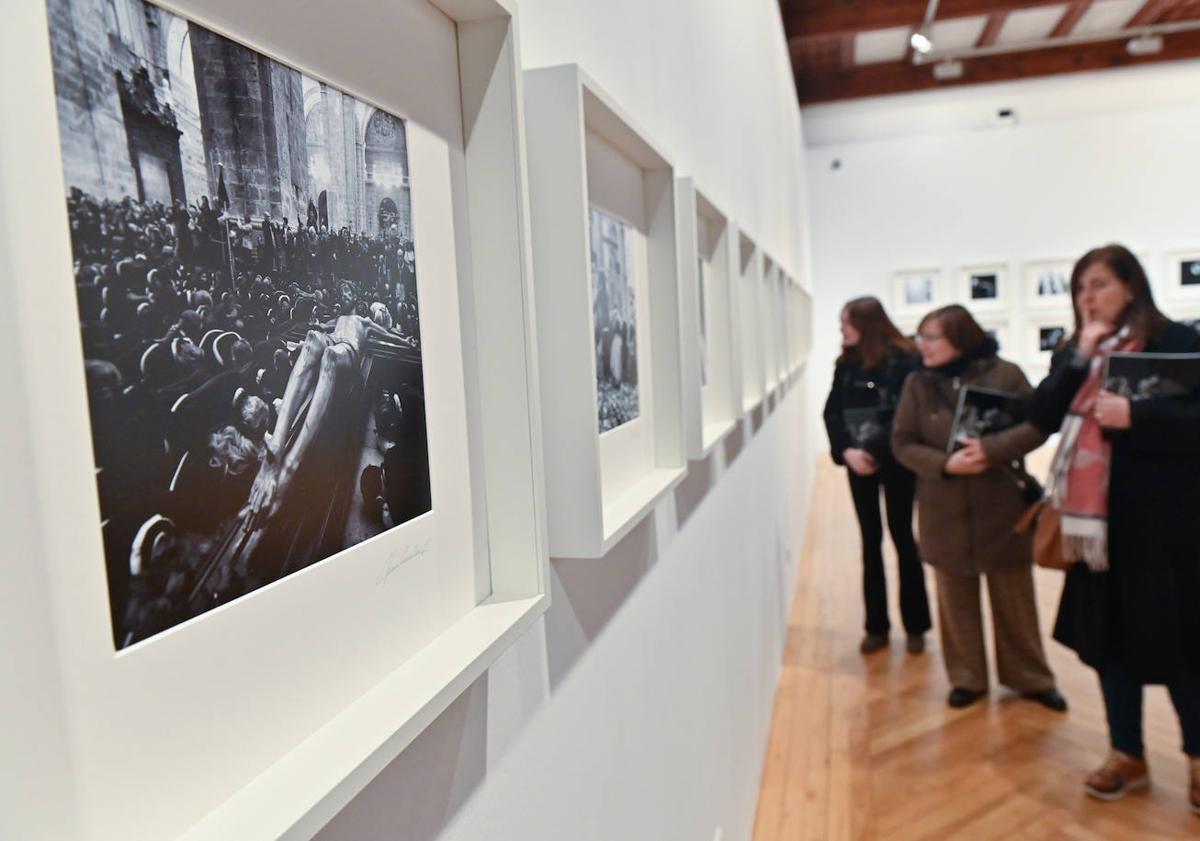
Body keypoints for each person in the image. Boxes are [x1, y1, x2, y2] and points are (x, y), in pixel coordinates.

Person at [1027, 245, 1200, 812]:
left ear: (1131, 286)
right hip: (1098, 531)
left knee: (1182, 647)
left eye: (1098, 284)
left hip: (1168, 527)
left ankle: (1198, 758)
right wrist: (1077, 356)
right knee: (1111, 645)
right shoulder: (1077, 353)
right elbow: (1042, 416)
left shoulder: (1176, 341)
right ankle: (1126, 752)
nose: (1087, 298)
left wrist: (1139, 417)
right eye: (1079, 288)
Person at [891, 304, 1066, 711]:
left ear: (960, 337)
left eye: (931, 337)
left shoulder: (1006, 375)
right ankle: (967, 678)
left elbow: (1037, 426)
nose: (922, 345)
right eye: (920, 336)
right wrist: (944, 464)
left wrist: (992, 450)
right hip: (942, 508)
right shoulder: (917, 383)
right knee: (954, 600)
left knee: (1015, 599)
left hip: (1001, 507)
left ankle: (1031, 678)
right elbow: (902, 442)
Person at [823, 297, 931, 654]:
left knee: (903, 535)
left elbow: (906, 415)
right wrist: (848, 452)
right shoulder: (847, 364)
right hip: (858, 464)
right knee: (870, 539)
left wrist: (873, 450)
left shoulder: (904, 361)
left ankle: (916, 625)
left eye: (846, 323)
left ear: (866, 324)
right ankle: (877, 626)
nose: (841, 330)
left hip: (896, 461)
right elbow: (832, 412)